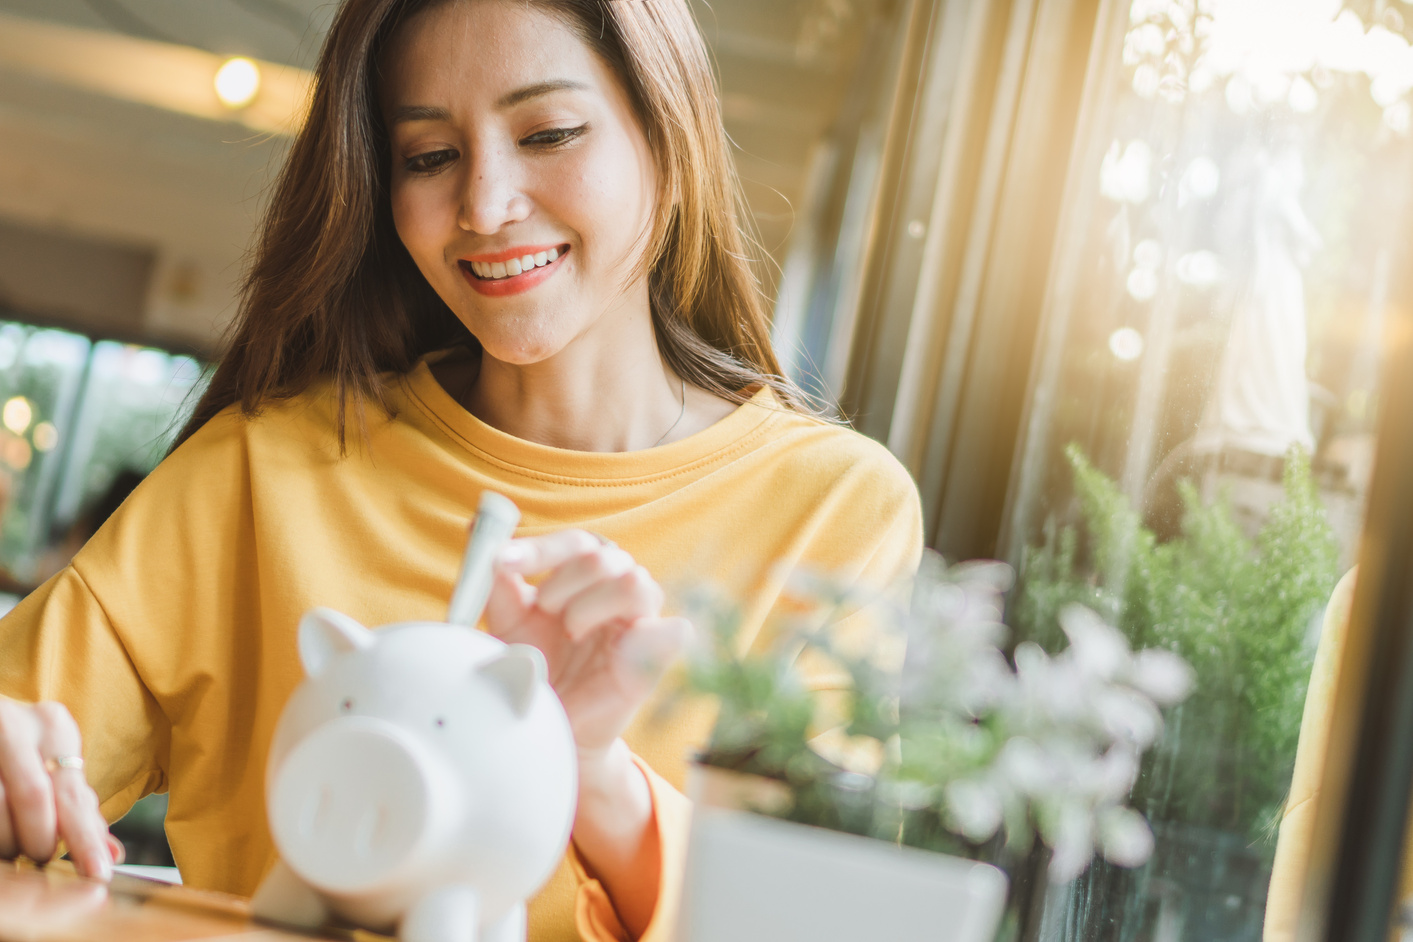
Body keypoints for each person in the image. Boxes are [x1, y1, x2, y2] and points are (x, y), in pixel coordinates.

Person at [0, 1, 923, 940]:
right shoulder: (257, 470)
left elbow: (814, 918)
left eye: (549, 133)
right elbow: (22, 751)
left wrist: (587, 771)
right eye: (430, 157)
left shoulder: (831, 509)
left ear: (668, 140)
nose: (484, 206)